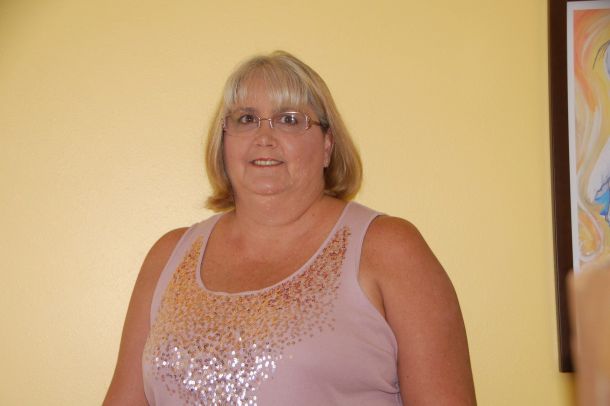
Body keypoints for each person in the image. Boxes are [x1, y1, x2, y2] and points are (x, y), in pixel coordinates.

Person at [103, 50, 476, 406]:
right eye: (246, 119)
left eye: (290, 120)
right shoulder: (169, 257)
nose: (264, 137)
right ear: (224, 141)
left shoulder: (388, 249)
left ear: (327, 145)